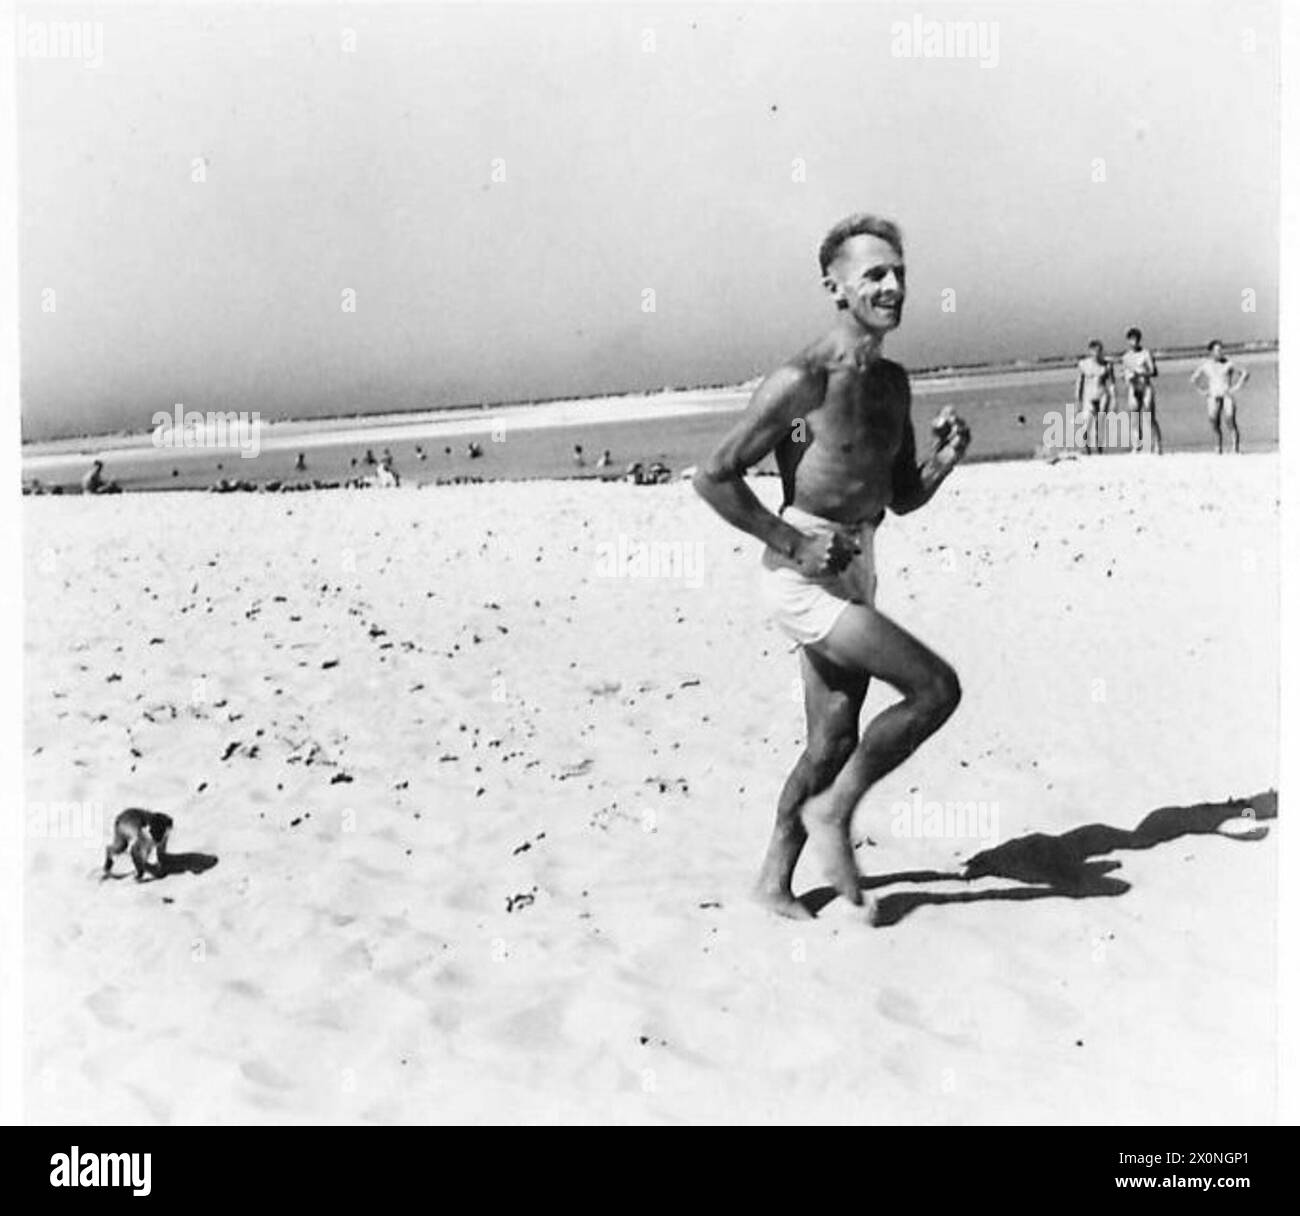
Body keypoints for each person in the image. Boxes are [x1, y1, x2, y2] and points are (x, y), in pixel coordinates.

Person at [693, 213, 969, 919]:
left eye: (899, 272)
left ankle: (772, 880)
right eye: (873, 273)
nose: (892, 285)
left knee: (834, 737)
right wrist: (795, 545)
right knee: (935, 688)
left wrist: (943, 460)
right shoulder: (803, 378)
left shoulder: (894, 383)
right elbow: (714, 475)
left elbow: (900, 496)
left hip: (858, 557)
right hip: (802, 568)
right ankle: (835, 811)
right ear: (835, 287)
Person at [1191, 339, 1249, 454]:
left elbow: (1245, 373)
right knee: (1213, 420)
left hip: (1226, 394)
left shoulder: (1228, 363)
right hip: (1213, 395)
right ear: (1211, 352)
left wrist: (1237, 387)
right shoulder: (1206, 365)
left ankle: (1235, 448)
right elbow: (1193, 379)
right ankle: (1218, 446)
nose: (1220, 352)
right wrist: (1202, 391)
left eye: (1221, 350)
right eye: (1217, 350)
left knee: (1229, 419)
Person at [1120, 327, 1163, 454]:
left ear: (1139, 340)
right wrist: (1127, 377)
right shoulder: (1126, 357)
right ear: (1128, 341)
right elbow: (1124, 373)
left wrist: (1142, 373)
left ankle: (1157, 444)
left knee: (1150, 416)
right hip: (1133, 388)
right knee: (1134, 417)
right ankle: (1136, 446)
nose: (1134, 342)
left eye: (1136, 339)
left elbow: (1154, 371)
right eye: (1131, 339)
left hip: (1146, 387)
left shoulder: (1146, 353)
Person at [1074, 339, 1114, 454]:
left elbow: (1111, 384)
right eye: (1094, 350)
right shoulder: (1083, 364)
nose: (1097, 353)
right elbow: (1079, 383)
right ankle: (1087, 450)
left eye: (1099, 350)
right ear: (1090, 351)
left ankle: (1099, 450)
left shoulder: (1107, 365)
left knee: (1099, 424)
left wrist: (1114, 399)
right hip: (1089, 397)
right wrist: (1078, 400)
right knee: (1086, 425)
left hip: (1102, 395)